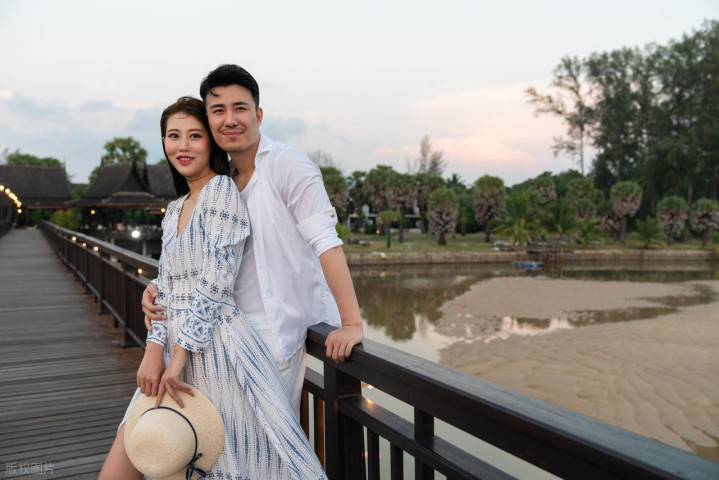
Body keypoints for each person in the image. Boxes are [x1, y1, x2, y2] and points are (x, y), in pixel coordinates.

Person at [99, 97, 327, 479]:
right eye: (173, 136)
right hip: (171, 347)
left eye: (194, 136)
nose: (183, 146)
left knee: (224, 458)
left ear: (210, 142)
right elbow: (167, 284)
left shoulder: (220, 191)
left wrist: (178, 357)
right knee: (137, 450)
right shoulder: (175, 209)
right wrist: (153, 349)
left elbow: (215, 283)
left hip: (215, 347)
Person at [142, 64, 364, 413]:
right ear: (209, 121)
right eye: (218, 110)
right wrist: (158, 286)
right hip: (221, 336)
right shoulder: (222, 181)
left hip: (274, 335)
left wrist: (351, 323)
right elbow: (212, 259)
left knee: (268, 441)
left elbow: (326, 243)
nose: (230, 119)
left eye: (240, 108)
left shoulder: (287, 166)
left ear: (258, 115)